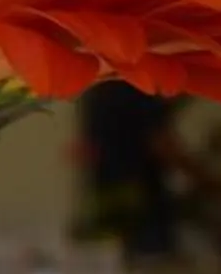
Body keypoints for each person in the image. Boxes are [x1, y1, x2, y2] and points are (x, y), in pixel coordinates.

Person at [78, 81, 186, 257]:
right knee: (149, 257)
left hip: (106, 189)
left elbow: (87, 149)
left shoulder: (98, 89)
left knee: (114, 255)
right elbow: (160, 144)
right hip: (141, 194)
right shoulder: (141, 88)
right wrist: (203, 177)